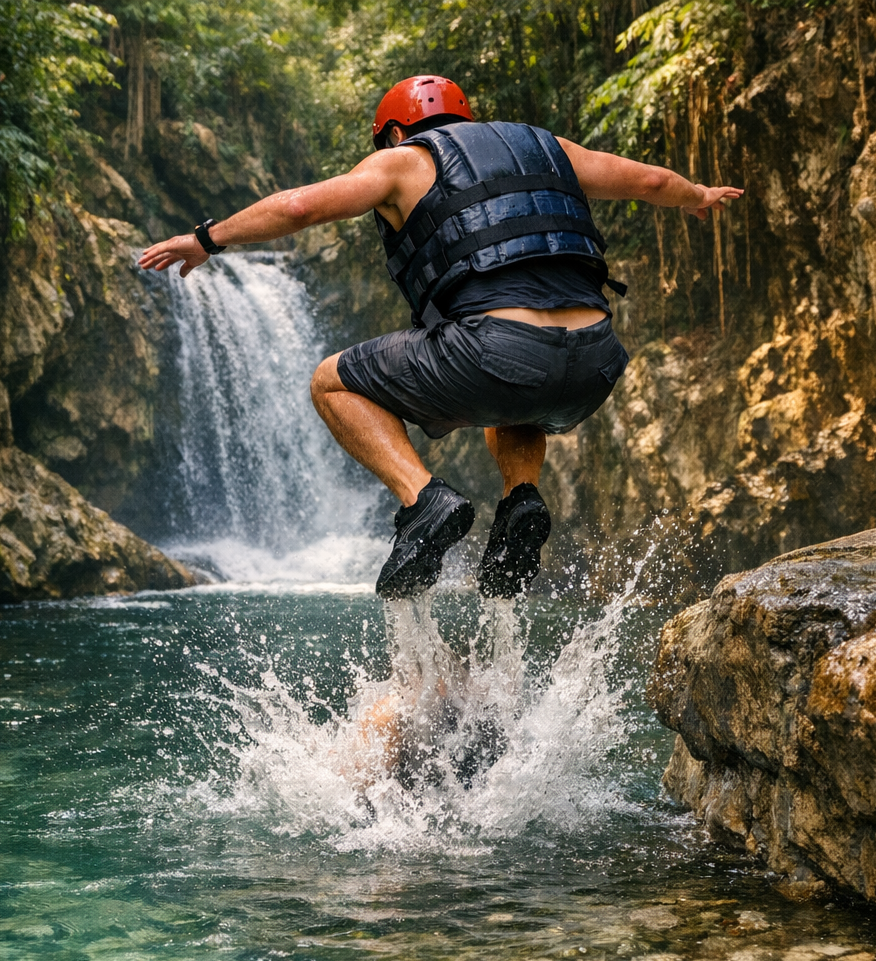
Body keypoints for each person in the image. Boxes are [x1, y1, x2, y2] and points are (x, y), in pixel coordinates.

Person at [139, 75, 741, 600]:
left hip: (494, 351)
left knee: (330, 382)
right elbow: (652, 181)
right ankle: (521, 498)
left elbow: (299, 209)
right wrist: (699, 196)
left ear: (396, 133)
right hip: (595, 364)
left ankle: (424, 498)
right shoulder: (549, 147)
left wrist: (208, 239)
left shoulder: (403, 161)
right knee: (517, 401)